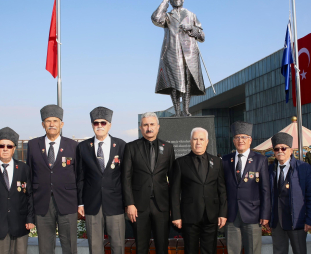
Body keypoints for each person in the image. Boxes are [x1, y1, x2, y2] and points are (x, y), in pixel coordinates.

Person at [26, 105, 78, 254]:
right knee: (45, 246)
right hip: (42, 203)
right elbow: (29, 176)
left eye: (55, 121)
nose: (52, 124)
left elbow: (79, 175)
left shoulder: (73, 145)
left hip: (67, 202)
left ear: (61, 124)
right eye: (48, 121)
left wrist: (80, 203)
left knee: (69, 245)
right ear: (43, 124)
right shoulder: (33, 145)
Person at [122, 112, 175, 254]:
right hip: (138, 207)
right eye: (145, 125)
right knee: (141, 247)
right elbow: (126, 177)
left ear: (158, 127)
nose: (149, 128)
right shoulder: (131, 147)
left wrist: (173, 207)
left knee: (162, 246)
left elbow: (173, 180)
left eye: (152, 124)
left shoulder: (168, 148)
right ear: (140, 128)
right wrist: (130, 204)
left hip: (162, 206)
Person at [76, 107, 126, 254]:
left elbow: (125, 176)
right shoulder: (83, 147)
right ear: (92, 125)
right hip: (92, 204)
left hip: (115, 203)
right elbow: (80, 177)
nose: (99, 126)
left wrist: (127, 202)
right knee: (95, 247)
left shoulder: (121, 145)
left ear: (109, 124)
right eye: (96, 123)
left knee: (118, 245)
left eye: (103, 123)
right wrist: (80, 202)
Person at [151, 0, 205, 116]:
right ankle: (177, 111)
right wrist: (165, 1)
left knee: (187, 81)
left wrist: (191, 28)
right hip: (172, 52)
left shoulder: (191, 15)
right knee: (174, 82)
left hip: (189, 53)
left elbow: (202, 36)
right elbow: (156, 19)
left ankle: (186, 110)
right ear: (170, 0)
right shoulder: (167, 16)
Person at [171, 127, 227, 254]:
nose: (198, 142)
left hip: (211, 215)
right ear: (190, 141)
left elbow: (222, 189)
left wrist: (223, 213)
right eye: (195, 139)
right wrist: (176, 215)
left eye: (201, 139)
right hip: (189, 216)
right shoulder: (180, 163)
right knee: (190, 250)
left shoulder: (217, 162)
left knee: (210, 250)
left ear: (207, 141)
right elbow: (174, 192)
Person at [222, 121, 270, 254]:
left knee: (253, 250)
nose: (240, 140)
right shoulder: (226, 160)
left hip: (253, 214)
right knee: (232, 250)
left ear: (250, 140)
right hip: (231, 214)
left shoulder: (260, 160)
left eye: (244, 137)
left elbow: (265, 189)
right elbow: (222, 188)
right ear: (233, 141)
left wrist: (265, 214)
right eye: (237, 137)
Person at [267, 133, 311, 254]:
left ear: (291, 150)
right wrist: (267, 218)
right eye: (276, 149)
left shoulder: (304, 168)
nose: (280, 151)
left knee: (299, 251)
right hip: (277, 221)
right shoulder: (269, 170)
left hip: (297, 220)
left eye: (283, 148)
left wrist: (310, 220)